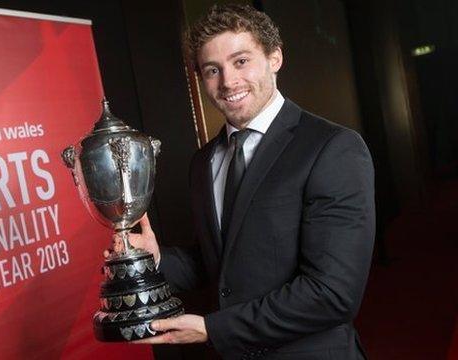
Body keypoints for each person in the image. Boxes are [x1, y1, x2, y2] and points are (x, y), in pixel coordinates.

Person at [123, 3, 375, 360]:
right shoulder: (203, 161)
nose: (228, 82)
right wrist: (158, 258)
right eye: (212, 70)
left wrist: (213, 329)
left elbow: (332, 294)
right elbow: (223, 260)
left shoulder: (332, 148)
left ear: (275, 58)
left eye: (241, 61)